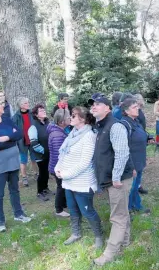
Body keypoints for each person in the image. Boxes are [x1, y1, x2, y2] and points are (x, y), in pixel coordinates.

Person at [89, 93, 134, 266]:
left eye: (98, 104)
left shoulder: (115, 126)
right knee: (121, 212)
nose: (93, 106)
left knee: (118, 217)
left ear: (108, 108)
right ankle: (125, 241)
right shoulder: (100, 126)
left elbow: (122, 153)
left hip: (118, 180)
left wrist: (116, 177)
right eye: (92, 104)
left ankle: (110, 253)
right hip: (110, 179)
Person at [0, 96, 32, 232]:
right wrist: (11, 139)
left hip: (13, 161)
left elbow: (19, 134)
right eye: (0, 104)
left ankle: (19, 214)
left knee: (14, 189)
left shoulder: (7, 120)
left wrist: (7, 137)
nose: (3, 105)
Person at [54, 106, 103, 248]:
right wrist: (58, 167)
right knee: (73, 209)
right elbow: (63, 153)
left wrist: (65, 174)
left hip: (82, 182)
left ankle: (98, 236)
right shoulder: (73, 133)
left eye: (74, 116)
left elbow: (84, 162)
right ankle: (76, 233)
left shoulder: (89, 136)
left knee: (87, 211)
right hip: (69, 181)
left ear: (83, 119)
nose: (70, 118)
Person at [120, 99, 151, 213]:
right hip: (131, 162)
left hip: (139, 160)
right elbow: (124, 148)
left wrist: (147, 138)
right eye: (134, 107)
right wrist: (131, 166)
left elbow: (139, 135)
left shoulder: (135, 121)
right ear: (126, 111)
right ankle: (126, 211)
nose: (137, 108)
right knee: (130, 188)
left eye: (137, 106)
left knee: (136, 185)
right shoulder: (124, 125)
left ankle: (136, 205)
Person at [47, 109, 71, 217]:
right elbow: (58, 155)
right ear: (61, 121)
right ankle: (59, 209)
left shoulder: (61, 131)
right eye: (68, 117)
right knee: (60, 187)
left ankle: (64, 204)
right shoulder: (57, 135)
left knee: (63, 186)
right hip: (58, 167)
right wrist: (60, 169)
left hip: (58, 166)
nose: (70, 118)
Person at [12, 97, 38, 187]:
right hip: (22, 142)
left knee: (34, 158)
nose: (28, 104)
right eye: (26, 103)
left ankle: (36, 174)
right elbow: (14, 130)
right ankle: (24, 177)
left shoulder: (32, 114)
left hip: (32, 140)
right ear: (22, 105)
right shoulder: (16, 117)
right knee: (23, 160)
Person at [29, 104, 52, 202]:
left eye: (44, 110)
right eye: (41, 111)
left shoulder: (48, 123)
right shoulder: (33, 127)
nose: (44, 112)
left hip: (49, 153)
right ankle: (40, 192)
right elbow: (34, 143)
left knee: (46, 172)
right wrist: (43, 151)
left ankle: (45, 188)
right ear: (36, 114)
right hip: (41, 155)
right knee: (42, 173)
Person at [133, 93, 148, 195]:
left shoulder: (139, 111)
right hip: (138, 142)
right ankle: (136, 186)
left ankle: (137, 185)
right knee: (137, 166)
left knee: (140, 165)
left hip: (142, 138)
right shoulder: (136, 112)